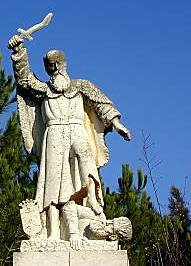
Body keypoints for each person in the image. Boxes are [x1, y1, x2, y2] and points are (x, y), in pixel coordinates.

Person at [8, 35, 131, 240]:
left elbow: (101, 104)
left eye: (57, 64)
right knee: (54, 184)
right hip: (54, 134)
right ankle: (53, 231)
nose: (54, 68)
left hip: (76, 129)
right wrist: (19, 51)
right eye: (50, 66)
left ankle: (91, 197)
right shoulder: (44, 89)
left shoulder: (81, 86)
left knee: (84, 152)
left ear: (64, 64)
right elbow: (25, 80)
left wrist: (117, 124)